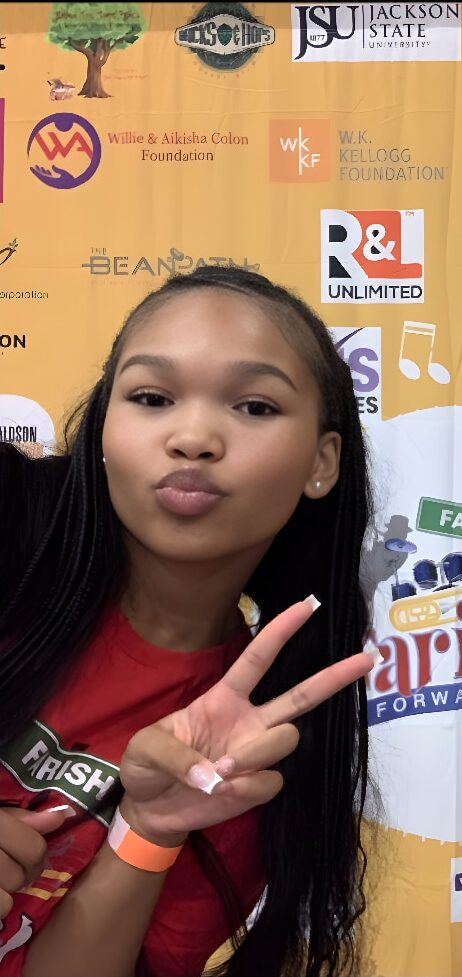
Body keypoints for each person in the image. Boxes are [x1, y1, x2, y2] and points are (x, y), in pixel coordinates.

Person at [0, 266, 379, 977]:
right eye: (152, 397)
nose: (195, 436)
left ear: (321, 462)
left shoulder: (251, 750)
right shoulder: (12, 529)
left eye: (255, 407)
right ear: (104, 427)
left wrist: (150, 828)